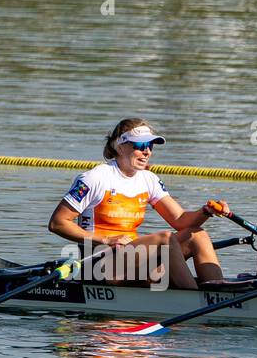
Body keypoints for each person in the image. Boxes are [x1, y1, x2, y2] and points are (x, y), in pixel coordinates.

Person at [48, 118, 228, 289]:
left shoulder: (148, 179)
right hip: (99, 263)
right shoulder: (94, 178)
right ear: (119, 147)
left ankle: (218, 293)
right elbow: (58, 223)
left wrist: (205, 211)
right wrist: (106, 240)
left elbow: (180, 220)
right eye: (141, 145)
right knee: (164, 239)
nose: (147, 151)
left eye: (150, 146)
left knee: (197, 235)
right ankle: (194, 301)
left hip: (132, 260)